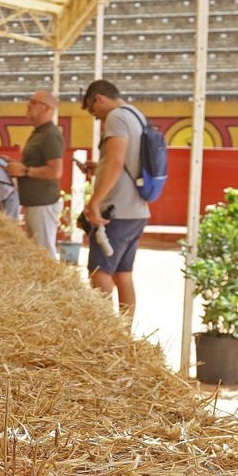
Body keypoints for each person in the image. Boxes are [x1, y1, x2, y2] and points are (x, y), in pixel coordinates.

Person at [79, 79, 149, 317]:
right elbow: (127, 161)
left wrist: (94, 202)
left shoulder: (116, 117)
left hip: (116, 210)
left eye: (92, 109)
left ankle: (107, 335)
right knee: (123, 275)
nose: (95, 116)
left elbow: (117, 162)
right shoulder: (136, 115)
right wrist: (100, 166)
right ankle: (123, 336)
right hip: (137, 210)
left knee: (99, 272)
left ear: (99, 98)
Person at [6, 90, 64, 256]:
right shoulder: (40, 132)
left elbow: (55, 171)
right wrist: (17, 166)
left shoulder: (50, 135)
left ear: (47, 108)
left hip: (42, 203)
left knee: (44, 253)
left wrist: (24, 170)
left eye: (33, 102)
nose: (28, 105)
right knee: (38, 252)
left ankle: (53, 282)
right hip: (36, 203)